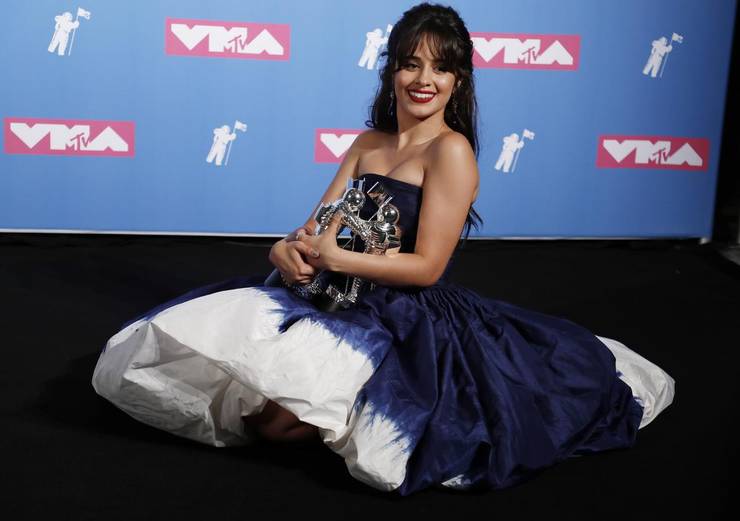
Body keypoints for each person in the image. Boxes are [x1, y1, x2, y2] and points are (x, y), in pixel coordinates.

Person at [92, 3, 675, 495]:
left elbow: (428, 268)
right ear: (391, 70)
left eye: (441, 68)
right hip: (324, 295)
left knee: (279, 428)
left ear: (459, 81)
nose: (424, 79)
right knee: (252, 406)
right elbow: (313, 227)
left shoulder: (451, 152)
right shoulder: (367, 143)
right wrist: (283, 252)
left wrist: (335, 258)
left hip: (399, 314)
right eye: (411, 63)